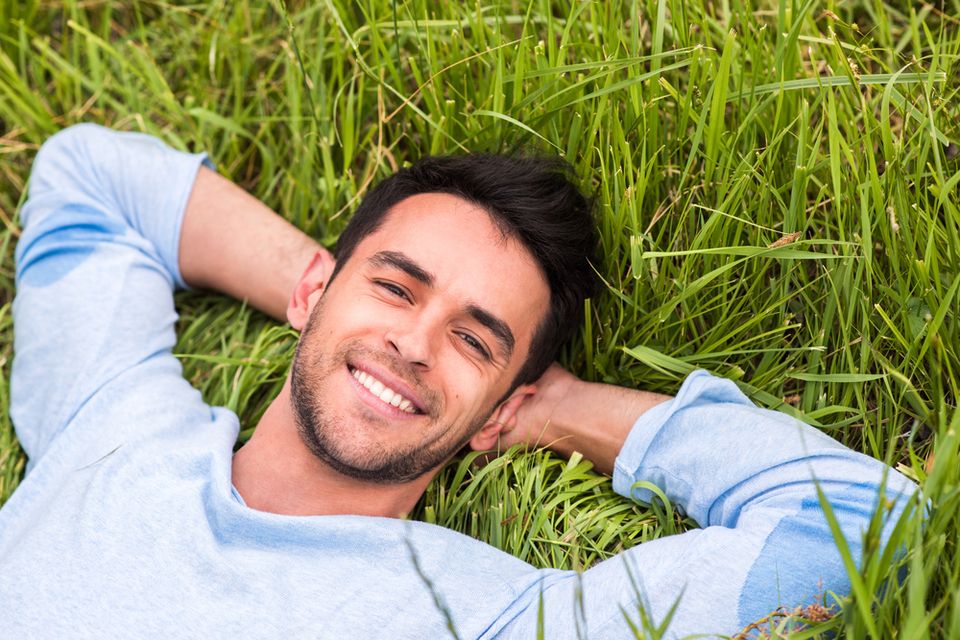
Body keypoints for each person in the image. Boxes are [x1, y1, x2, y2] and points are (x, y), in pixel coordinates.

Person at [0, 124, 916, 639]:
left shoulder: (487, 620)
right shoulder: (111, 421)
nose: (411, 343)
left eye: (475, 344)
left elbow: (865, 522)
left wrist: (563, 409)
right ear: (316, 287)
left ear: (495, 412)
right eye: (395, 286)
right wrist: (320, 298)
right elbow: (93, 179)